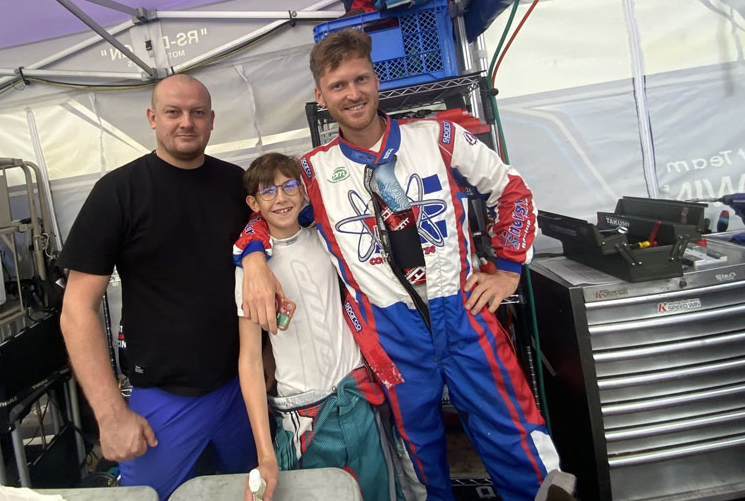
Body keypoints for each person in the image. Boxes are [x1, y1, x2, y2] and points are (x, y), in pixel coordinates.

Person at [237, 28, 560, 501]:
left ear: (376, 79)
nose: (353, 94)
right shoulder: (312, 172)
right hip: (391, 332)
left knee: (513, 432)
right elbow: (268, 214)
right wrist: (253, 259)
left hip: (463, 314)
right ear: (321, 96)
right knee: (417, 452)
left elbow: (511, 190)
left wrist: (510, 268)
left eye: (360, 79)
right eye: (338, 86)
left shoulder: (439, 137)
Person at [59, 74, 256, 500]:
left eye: (197, 112)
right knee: (148, 496)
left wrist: (269, 362)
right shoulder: (119, 192)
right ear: (152, 118)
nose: (186, 122)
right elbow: (77, 309)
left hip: (242, 387)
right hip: (165, 399)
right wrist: (111, 415)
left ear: (212, 120)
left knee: (252, 490)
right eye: (173, 112)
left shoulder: (235, 184)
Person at [236, 152, 410, 501]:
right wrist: (265, 455)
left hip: (359, 399)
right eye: (268, 190)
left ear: (303, 191)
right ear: (253, 203)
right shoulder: (250, 272)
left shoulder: (328, 241)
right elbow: (250, 359)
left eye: (289, 186)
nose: (281, 197)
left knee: (383, 492)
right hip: (303, 419)